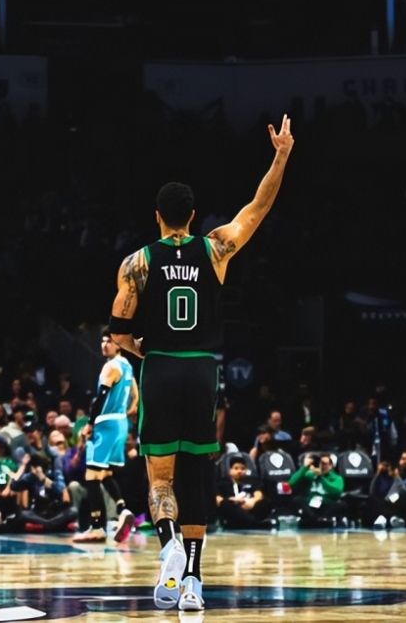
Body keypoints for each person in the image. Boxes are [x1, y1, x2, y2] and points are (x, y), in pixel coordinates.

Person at [108, 114, 294, 611]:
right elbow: (257, 208)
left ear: (157, 216)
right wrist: (281, 156)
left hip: (161, 368)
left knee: (160, 479)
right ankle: (192, 581)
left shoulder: (137, 263)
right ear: (193, 216)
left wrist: (144, 351)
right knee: (196, 479)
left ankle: (168, 544)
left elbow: (120, 333)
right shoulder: (215, 249)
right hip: (202, 371)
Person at [73, 331, 139, 543]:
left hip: (106, 423)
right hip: (120, 423)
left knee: (92, 476)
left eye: (109, 341)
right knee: (106, 473)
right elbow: (135, 393)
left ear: (118, 345)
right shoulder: (127, 365)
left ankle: (97, 528)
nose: (104, 344)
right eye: (102, 341)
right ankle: (123, 510)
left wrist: (90, 424)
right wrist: (131, 408)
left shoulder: (110, 367)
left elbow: (100, 397)